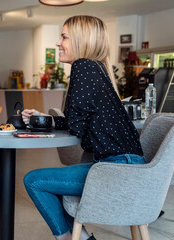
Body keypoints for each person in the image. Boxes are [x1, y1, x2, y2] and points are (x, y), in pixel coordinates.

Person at [22, 15, 145, 240]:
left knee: (34, 180)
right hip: (128, 167)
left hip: (115, 170)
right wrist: (44, 119)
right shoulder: (96, 69)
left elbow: (77, 129)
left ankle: (70, 238)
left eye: (64, 37)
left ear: (82, 40)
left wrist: (62, 117)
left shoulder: (83, 67)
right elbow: (78, 123)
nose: (58, 43)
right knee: (44, 181)